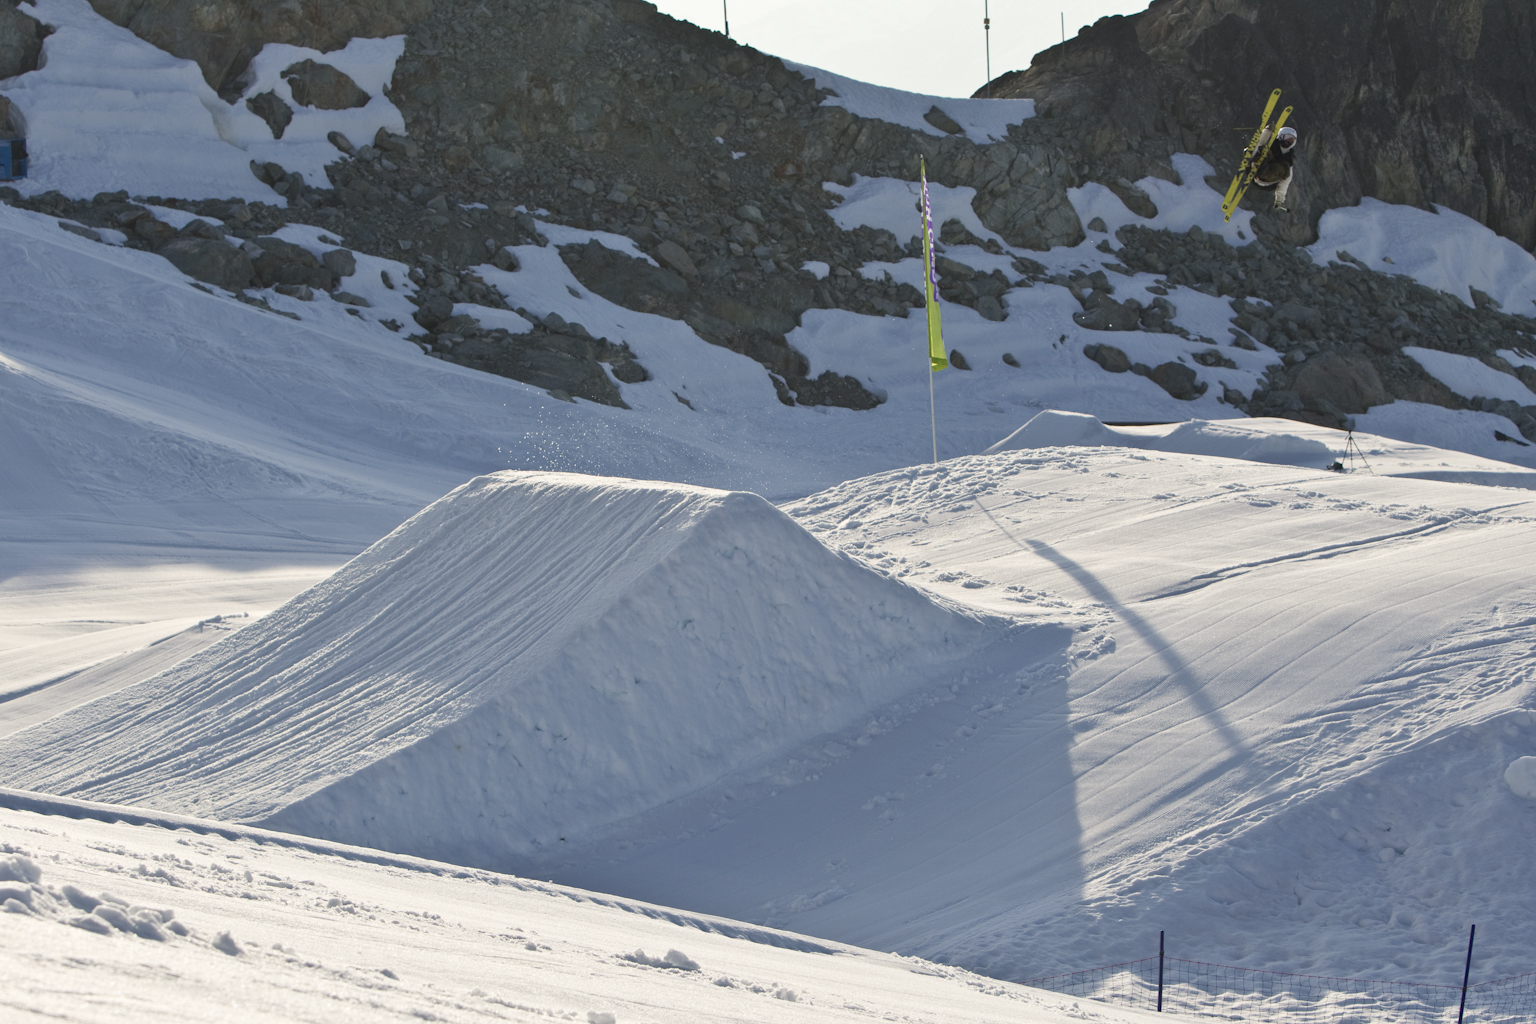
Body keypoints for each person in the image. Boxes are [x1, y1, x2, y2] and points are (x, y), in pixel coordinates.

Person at [1249, 125, 1297, 211]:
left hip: (1267, 182)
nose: (1288, 142)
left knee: (1284, 167)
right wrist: (1267, 131)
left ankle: (1260, 168)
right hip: (1254, 172)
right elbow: (1261, 142)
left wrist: (1279, 199)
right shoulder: (1272, 144)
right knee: (1263, 149)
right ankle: (1252, 158)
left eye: (1291, 140)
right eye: (1286, 138)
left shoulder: (1289, 159)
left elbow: (1285, 181)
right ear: (1281, 136)